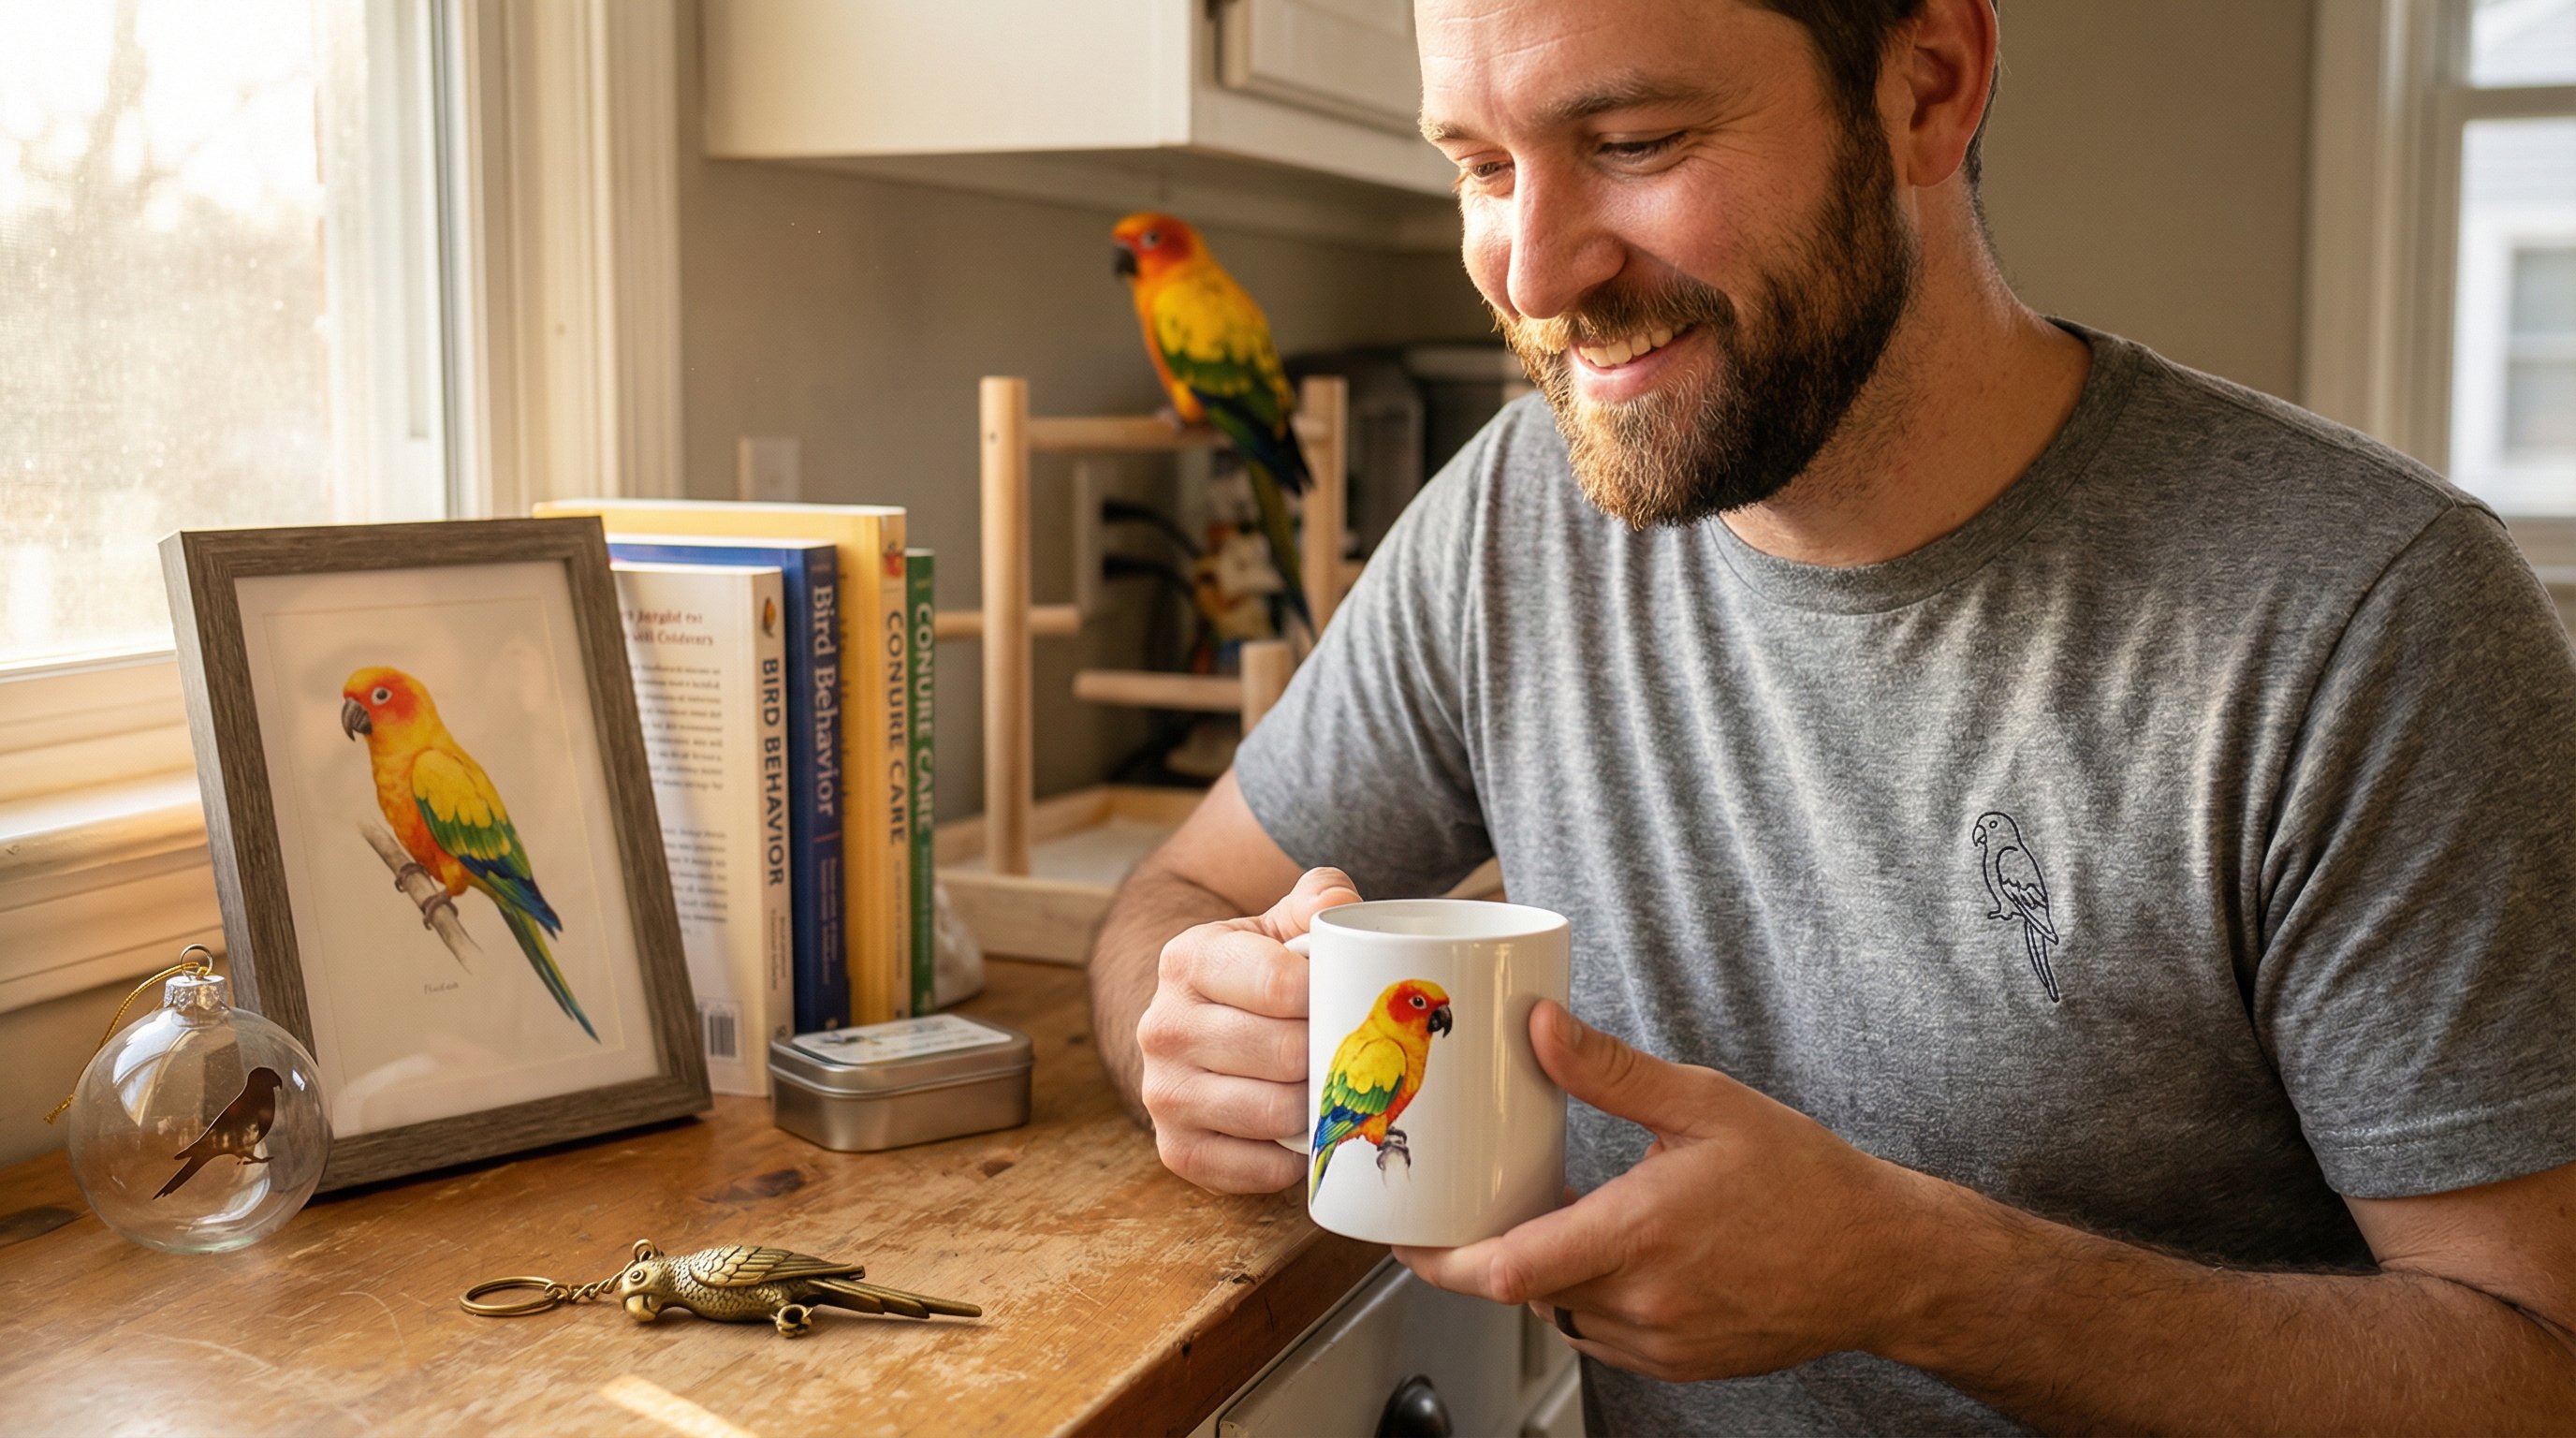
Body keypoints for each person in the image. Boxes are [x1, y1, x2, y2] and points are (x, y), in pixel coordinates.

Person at [1086, 0, 2576, 1430]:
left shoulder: (2368, 618)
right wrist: (1195, 1013)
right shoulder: (1511, 519)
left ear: (1927, 84)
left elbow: (2540, 1373)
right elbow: (1189, 888)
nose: (1531, 275)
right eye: (1479, 165)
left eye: (1636, 142)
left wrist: (1927, 1281)